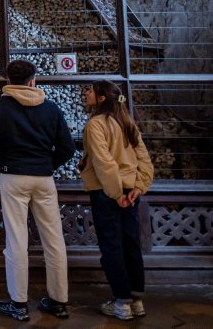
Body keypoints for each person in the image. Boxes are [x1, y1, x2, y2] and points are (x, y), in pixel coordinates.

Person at [0, 60, 75, 322]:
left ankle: (18, 303)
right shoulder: (51, 108)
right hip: (44, 179)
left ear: (8, 80)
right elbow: (67, 147)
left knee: (17, 240)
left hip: (13, 176)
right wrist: (47, 165)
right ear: (33, 81)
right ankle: (58, 302)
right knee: (54, 240)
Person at [80, 80, 153, 321]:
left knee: (111, 246)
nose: (86, 93)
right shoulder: (127, 122)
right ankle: (136, 300)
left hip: (107, 192)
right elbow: (144, 159)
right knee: (130, 243)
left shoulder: (96, 124)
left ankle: (121, 303)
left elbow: (104, 163)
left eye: (91, 90)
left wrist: (116, 194)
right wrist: (139, 187)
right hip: (130, 192)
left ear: (101, 98)